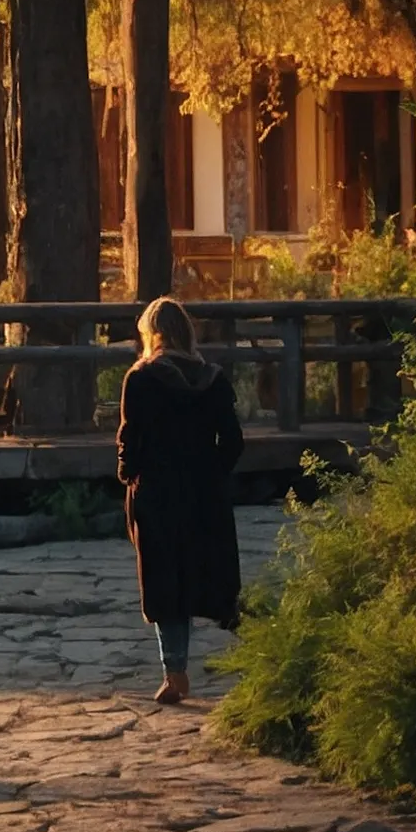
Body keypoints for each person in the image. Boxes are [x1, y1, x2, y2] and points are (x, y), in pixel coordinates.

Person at [116, 295, 243, 704]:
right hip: (205, 494)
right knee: (213, 576)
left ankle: (175, 674)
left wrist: (128, 474)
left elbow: (129, 438)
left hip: (158, 493)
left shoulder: (141, 379)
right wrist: (212, 473)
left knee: (165, 581)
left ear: (153, 334)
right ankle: (267, 648)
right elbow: (234, 442)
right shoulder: (214, 380)